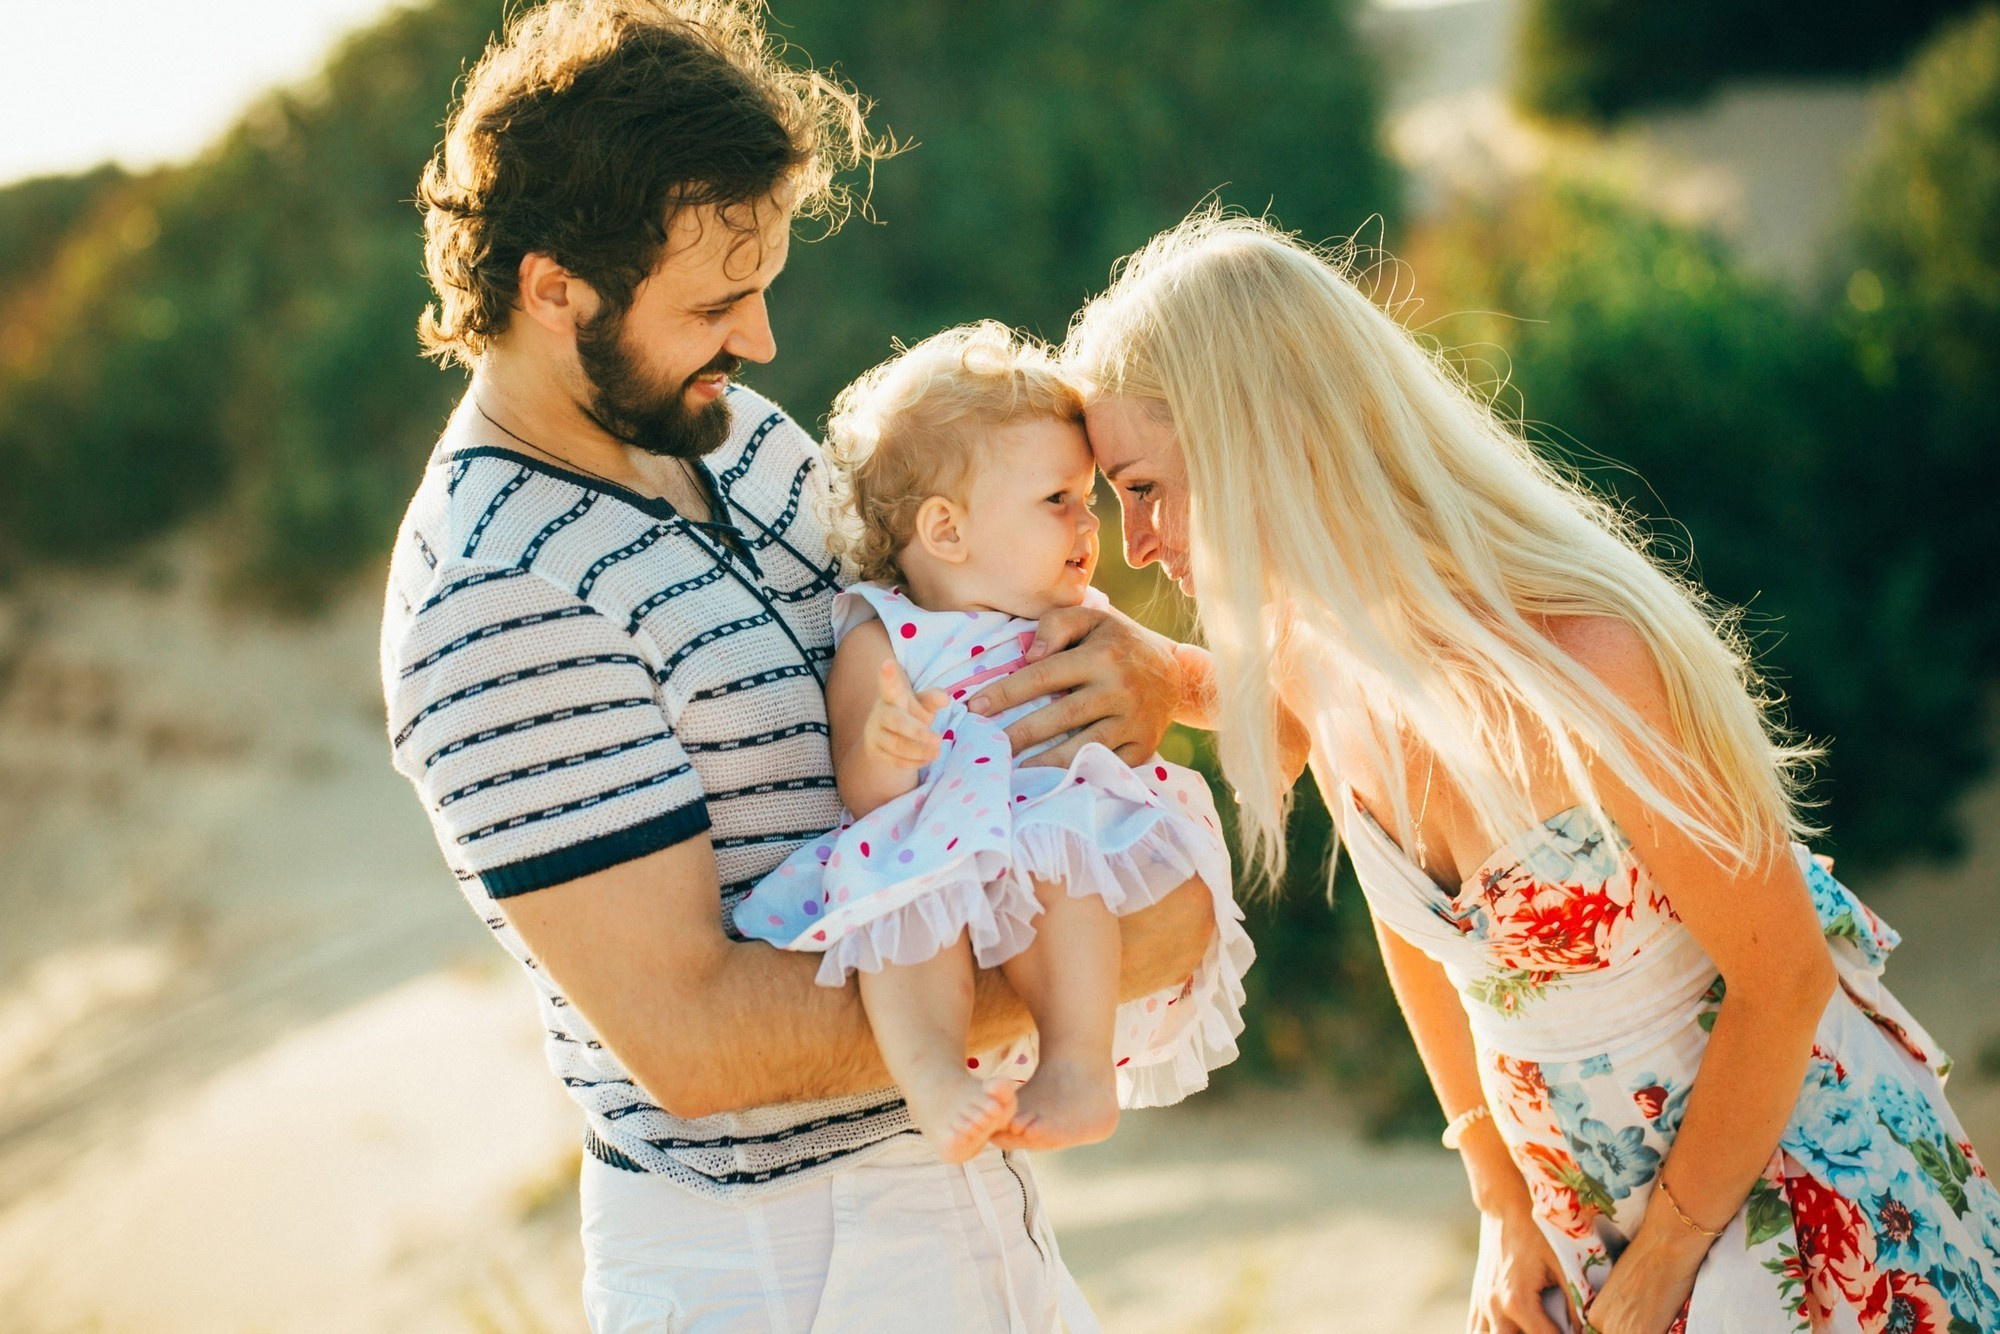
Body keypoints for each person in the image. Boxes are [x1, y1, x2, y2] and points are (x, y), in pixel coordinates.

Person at [381, 5, 1216, 1329]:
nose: (762, 339)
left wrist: (1150, 679)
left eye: (760, 284)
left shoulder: (732, 431)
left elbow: (947, 647)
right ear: (554, 291)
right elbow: (698, 1043)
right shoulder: (496, 596)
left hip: (962, 1184)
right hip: (786, 1257)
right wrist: (1101, 955)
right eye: (717, 301)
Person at [1020, 208, 2000, 1334]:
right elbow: (1415, 937)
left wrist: (1661, 1265)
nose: (1134, 542)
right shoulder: (1314, 653)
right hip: (1574, 1228)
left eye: (1144, 486)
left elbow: (1782, 980)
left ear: (1259, 442)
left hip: (1791, 1210)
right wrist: (1497, 1193)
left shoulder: (1584, 658)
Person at [732, 322, 1252, 1163]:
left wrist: (1172, 683)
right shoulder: (884, 631)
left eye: (1087, 499)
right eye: (1060, 500)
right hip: (935, 827)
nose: (1091, 526)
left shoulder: (1075, 621)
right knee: (902, 900)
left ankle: (1078, 1071)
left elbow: (1200, 684)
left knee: (1059, 855)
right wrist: (890, 746)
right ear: (946, 530)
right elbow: (864, 789)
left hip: (1046, 822)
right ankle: (935, 1078)